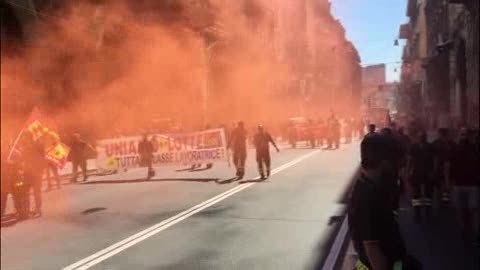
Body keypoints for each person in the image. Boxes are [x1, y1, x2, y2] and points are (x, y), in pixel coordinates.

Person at [349, 133, 417, 270]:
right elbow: (372, 248)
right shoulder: (368, 196)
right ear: (384, 162)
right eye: (396, 162)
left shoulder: (373, 187)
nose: (398, 167)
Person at [450, 128, 479, 243]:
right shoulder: (458, 149)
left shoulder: (474, 149)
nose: (464, 137)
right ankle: (469, 231)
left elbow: (448, 165)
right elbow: (448, 165)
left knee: (469, 210)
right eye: (462, 134)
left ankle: (470, 232)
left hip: (468, 184)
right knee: (467, 210)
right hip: (464, 184)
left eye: (464, 134)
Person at [407, 131, 434, 222]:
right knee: (419, 193)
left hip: (423, 172)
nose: (422, 138)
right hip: (420, 172)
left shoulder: (417, 146)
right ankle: (421, 212)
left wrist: (408, 171)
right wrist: (408, 171)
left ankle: (422, 212)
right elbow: (410, 160)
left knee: (423, 193)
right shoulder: (427, 146)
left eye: (422, 137)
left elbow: (409, 161)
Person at [432, 128, 455, 204]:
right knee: (445, 186)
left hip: (441, 168)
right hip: (445, 169)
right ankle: (445, 200)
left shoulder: (436, 143)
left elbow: (432, 157)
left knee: (441, 186)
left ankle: (442, 200)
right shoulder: (451, 144)